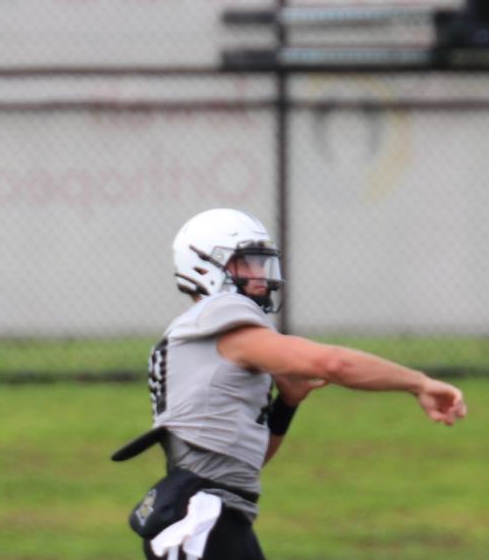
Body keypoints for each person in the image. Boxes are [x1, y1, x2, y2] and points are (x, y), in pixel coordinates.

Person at [119, 208, 467, 560]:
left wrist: (287, 404)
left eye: (261, 263)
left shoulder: (197, 338)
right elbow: (333, 363)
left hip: (207, 517)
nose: (260, 275)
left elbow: (242, 463)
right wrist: (418, 382)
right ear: (203, 266)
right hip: (200, 522)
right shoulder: (221, 317)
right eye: (246, 263)